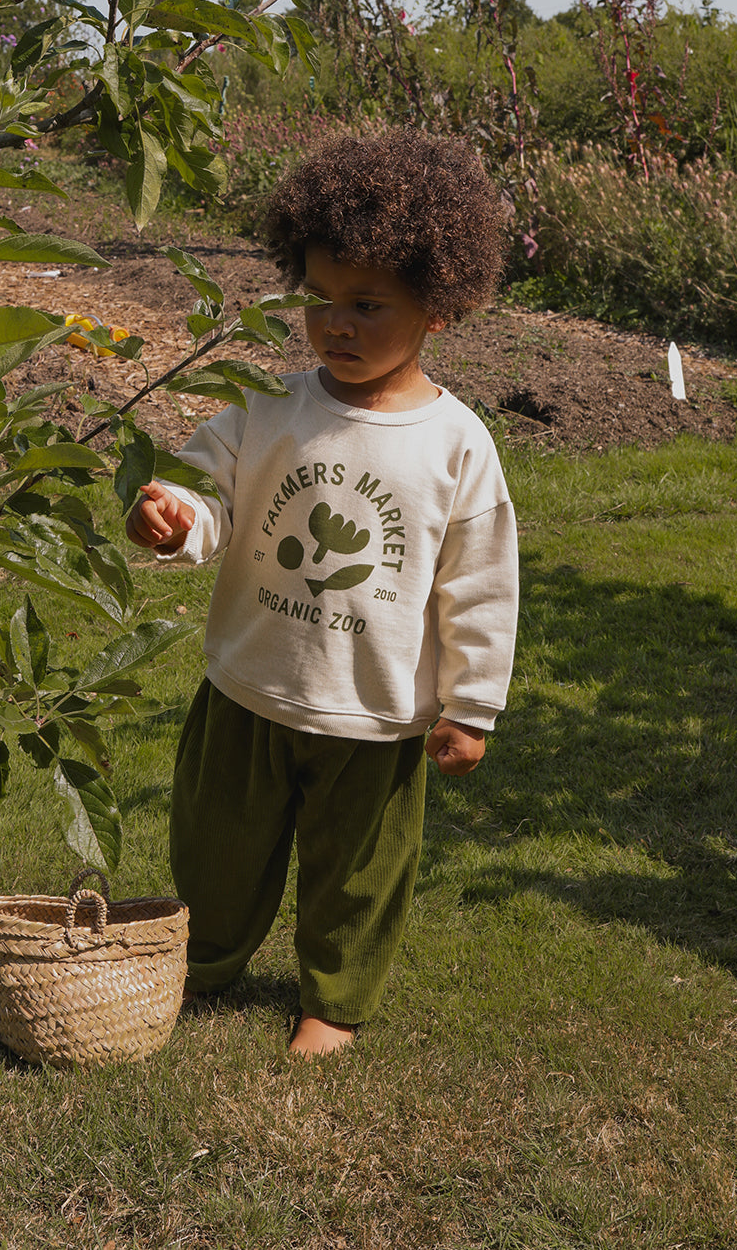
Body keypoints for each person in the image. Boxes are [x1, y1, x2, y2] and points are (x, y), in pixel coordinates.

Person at [125, 129, 519, 1056]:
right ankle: (205, 958)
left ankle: (333, 999)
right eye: (321, 300)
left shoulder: (455, 444)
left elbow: (480, 581)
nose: (337, 324)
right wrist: (177, 513)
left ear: (439, 311)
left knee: (359, 871)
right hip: (250, 686)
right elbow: (211, 482)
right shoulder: (267, 402)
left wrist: (471, 706)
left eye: (368, 305)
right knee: (215, 851)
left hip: (375, 715)